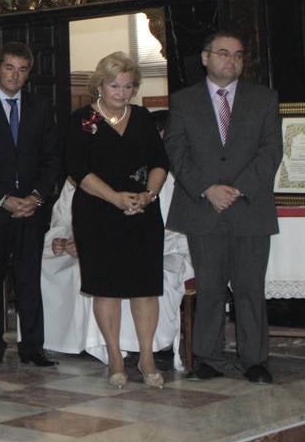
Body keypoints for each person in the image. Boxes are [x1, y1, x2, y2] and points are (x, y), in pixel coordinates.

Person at [166, 31, 282, 384]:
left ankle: (254, 360)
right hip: (204, 208)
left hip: (250, 208)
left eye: (238, 55)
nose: (231, 60)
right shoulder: (184, 101)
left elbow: (271, 152)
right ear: (205, 58)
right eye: (223, 53)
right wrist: (207, 189)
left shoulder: (263, 99)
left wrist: (237, 189)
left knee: (249, 288)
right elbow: (176, 152)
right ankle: (209, 359)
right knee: (211, 287)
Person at [65, 52, 169, 389]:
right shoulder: (82, 120)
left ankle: (147, 356)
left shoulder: (141, 118)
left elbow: (159, 161)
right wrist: (114, 197)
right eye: (115, 86)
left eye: (128, 86)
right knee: (106, 288)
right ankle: (114, 356)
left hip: (141, 213)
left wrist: (149, 195)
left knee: (145, 289)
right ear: (100, 84)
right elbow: (78, 170)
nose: (122, 92)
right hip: (98, 213)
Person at [0, 42, 61, 368]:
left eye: (22, 69)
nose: (15, 75)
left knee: (29, 278)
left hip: (32, 209)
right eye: (9, 67)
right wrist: (3, 199)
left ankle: (33, 346)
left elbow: (52, 159)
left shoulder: (41, 106)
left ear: (28, 73)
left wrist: (36, 197)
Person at [40, 173, 192, 369]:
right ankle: (80, 342)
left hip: (153, 247)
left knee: (129, 275)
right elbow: (63, 220)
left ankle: (138, 351)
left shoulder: (158, 174)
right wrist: (65, 239)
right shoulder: (84, 175)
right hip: (93, 245)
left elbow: (170, 228)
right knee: (54, 266)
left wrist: (90, 245)